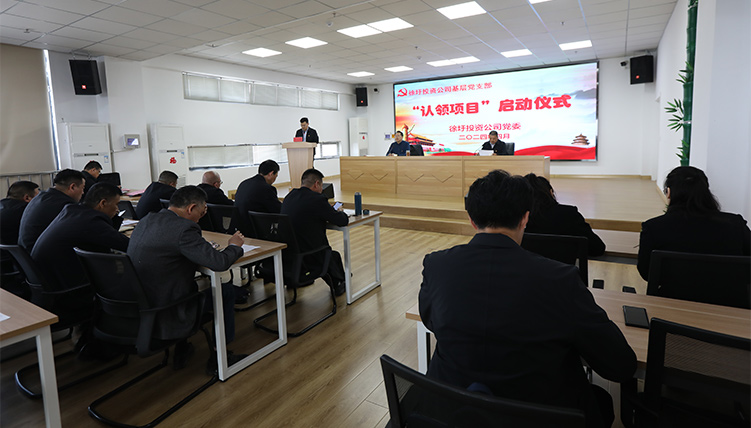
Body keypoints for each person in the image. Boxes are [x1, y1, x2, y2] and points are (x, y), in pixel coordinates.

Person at [419, 169, 636, 428]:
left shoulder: (437, 265)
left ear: (472, 220)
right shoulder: (560, 279)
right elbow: (620, 365)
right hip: (539, 415)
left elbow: (431, 321)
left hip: (452, 412)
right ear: (525, 218)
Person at [127, 185, 246, 368]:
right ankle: (220, 356)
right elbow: (219, 263)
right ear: (191, 208)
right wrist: (234, 246)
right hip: (168, 310)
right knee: (227, 292)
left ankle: (182, 347)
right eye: (202, 211)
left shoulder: (147, 219)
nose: (201, 217)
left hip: (140, 306)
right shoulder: (184, 229)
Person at [637, 166, 751, 280]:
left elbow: (646, 272)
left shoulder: (654, 228)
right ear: (706, 192)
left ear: (669, 192)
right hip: (729, 291)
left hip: (674, 291)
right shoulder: (736, 224)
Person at [32, 183, 129, 291]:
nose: (117, 209)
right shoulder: (91, 222)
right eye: (116, 204)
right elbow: (128, 245)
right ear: (103, 203)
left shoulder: (73, 211)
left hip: (48, 279)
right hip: (65, 287)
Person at [281, 168, 348, 296]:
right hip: (310, 255)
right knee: (332, 255)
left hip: (289, 255)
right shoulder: (317, 199)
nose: (322, 189)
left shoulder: (289, 197)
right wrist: (340, 212)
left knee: (328, 254)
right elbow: (342, 221)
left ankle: (339, 280)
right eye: (321, 186)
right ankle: (339, 283)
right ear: (316, 184)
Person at [524, 173, 606, 257]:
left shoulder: (520, 218)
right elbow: (597, 248)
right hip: (561, 265)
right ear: (551, 192)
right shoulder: (569, 214)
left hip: (525, 265)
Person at [18, 169, 85, 252]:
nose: (83, 192)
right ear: (72, 187)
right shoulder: (65, 206)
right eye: (82, 188)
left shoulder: (40, 198)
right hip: (41, 256)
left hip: (27, 254)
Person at [1, 181, 40, 293]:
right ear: (27, 198)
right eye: (37, 197)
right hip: (14, 265)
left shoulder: (3, 205)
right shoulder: (24, 211)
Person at [234, 160, 282, 234]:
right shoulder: (266, 188)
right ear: (271, 173)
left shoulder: (243, 184)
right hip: (258, 231)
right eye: (276, 176)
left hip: (240, 229)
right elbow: (278, 210)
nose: (275, 179)